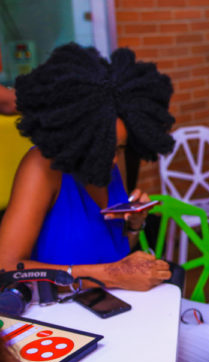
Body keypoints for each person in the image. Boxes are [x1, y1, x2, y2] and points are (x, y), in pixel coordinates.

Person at [0, 42, 175, 289]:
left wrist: (134, 225)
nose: (113, 159)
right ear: (76, 134)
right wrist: (112, 275)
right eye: (102, 147)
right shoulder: (41, 168)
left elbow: (114, 250)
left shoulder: (114, 164)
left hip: (112, 303)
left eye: (119, 148)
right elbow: (6, 269)